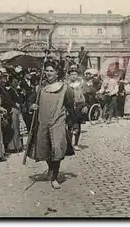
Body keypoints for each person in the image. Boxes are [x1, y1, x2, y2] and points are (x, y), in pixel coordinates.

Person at [27, 60, 78, 189]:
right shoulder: (39, 87)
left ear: (56, 73)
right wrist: (31, 105)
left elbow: (70, 107)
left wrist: (74, 123)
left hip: (58, 122)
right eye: (47, 70)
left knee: (57, 149)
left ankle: (54, 177)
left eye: (51, 71)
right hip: (43, 122)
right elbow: (30, 101)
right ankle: (50, 168)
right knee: (45, 149)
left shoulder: (65, 89)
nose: (48, 73)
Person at [67, 65, 88, 151]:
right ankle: (69, 144)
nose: (73, 76)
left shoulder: (80, 85)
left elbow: (84, 97)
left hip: (79, 107)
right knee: (69, 126)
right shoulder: (66, 85)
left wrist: (85, 105)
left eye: (75, 74)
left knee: (78, 126)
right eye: (72, 74)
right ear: (69, 75)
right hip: (69, 107)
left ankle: (76, 143)